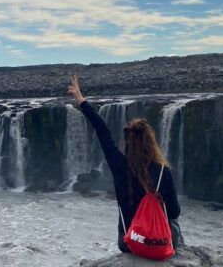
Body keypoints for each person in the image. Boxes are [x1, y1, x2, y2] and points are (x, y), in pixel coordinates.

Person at [67, 75, 182, 252]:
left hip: (129, 242)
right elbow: (174, 212)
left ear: (128, 143)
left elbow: (103, 131)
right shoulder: (162, 172)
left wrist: (82, 101)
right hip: (158, 242)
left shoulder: (119, 165)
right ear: (151, 143)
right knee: (174, 225)